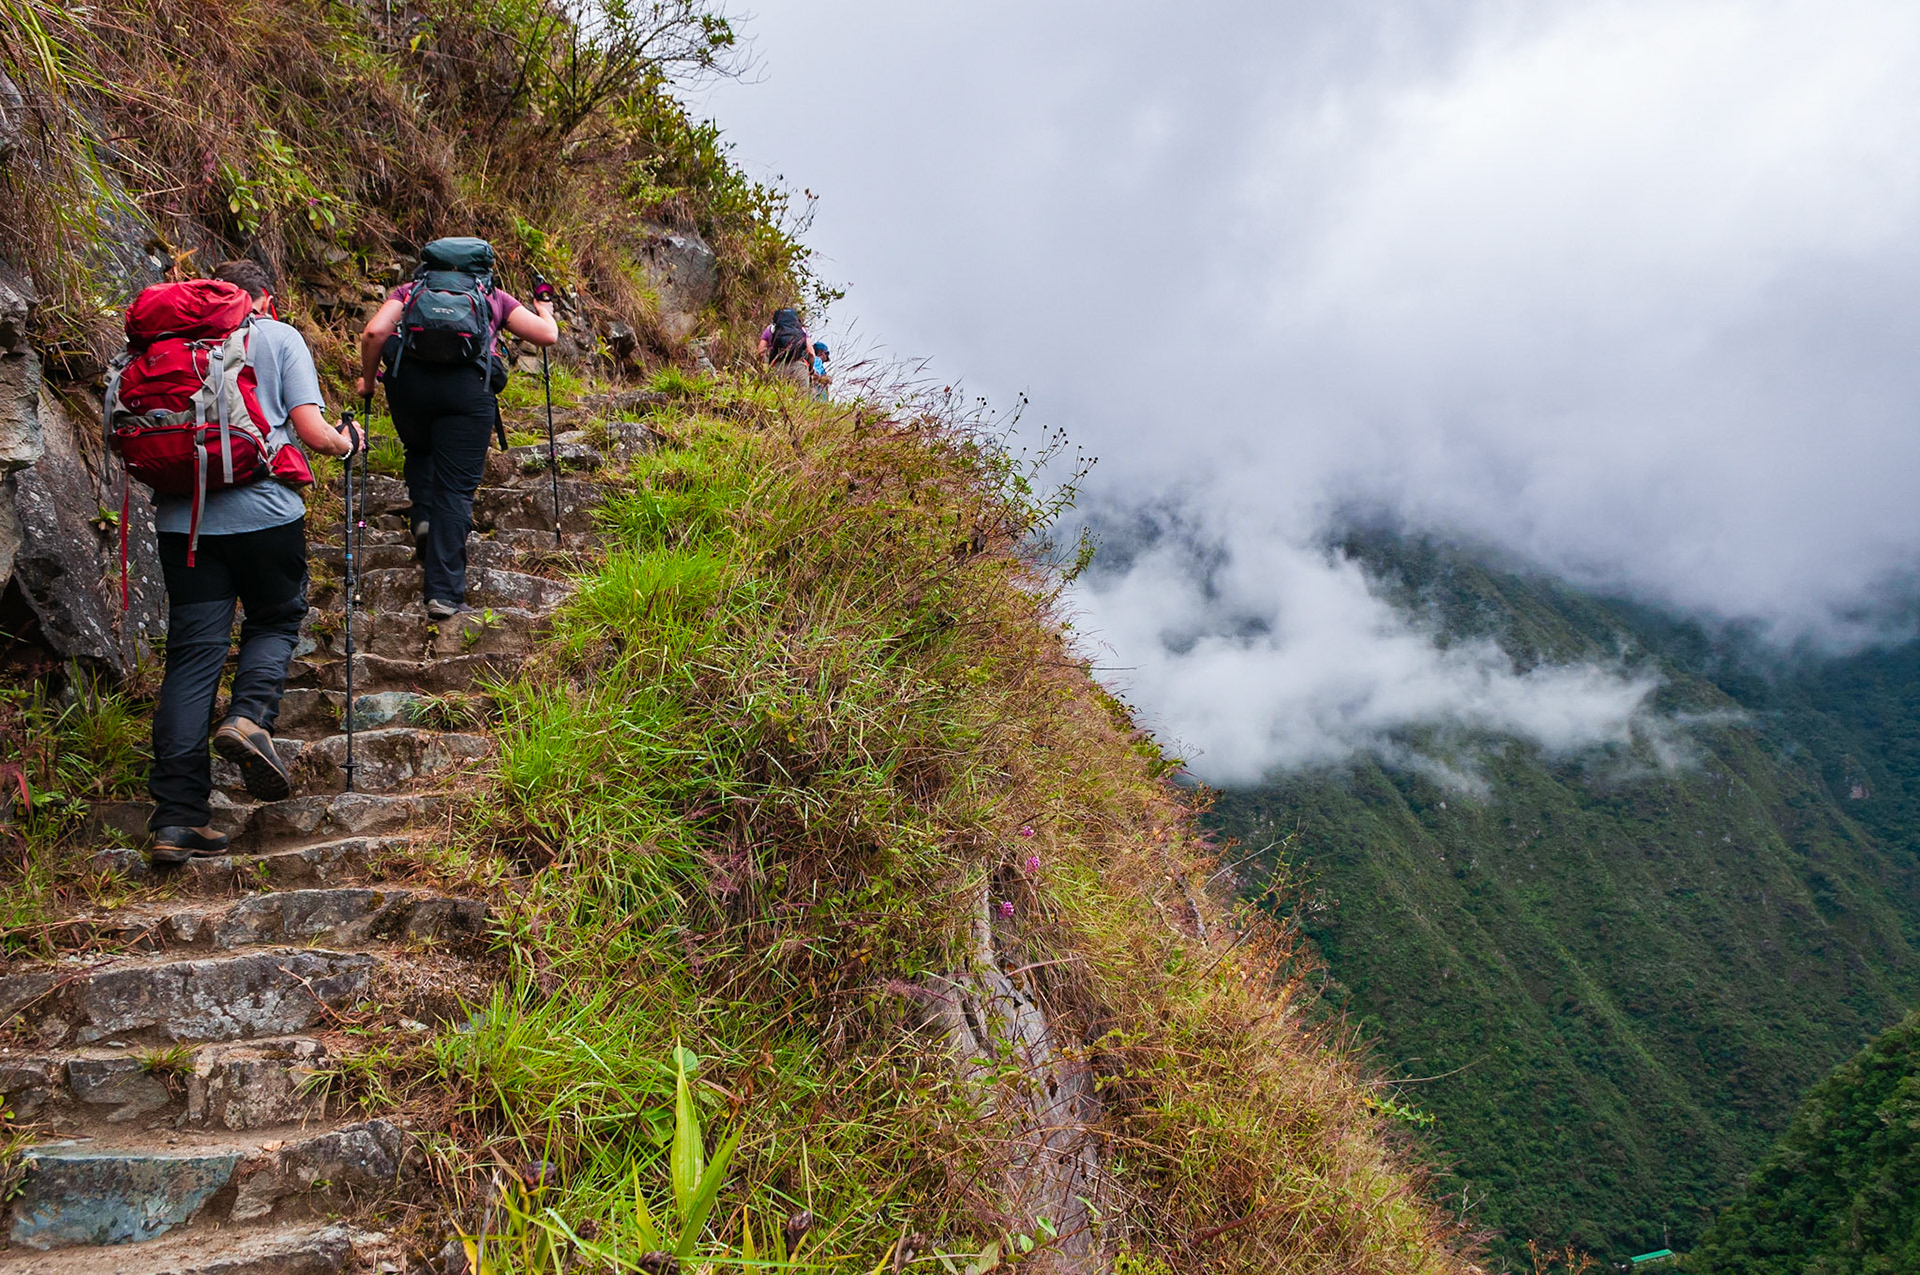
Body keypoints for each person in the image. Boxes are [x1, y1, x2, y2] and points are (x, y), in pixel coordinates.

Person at [148, 260, 364, 864]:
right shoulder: (275, 335)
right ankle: (247, 719)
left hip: (183, 523)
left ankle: (176, 821)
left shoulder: (168, 342)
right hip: (266, 514)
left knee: (191, 662)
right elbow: (313, 433)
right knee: (274, 618)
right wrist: (349, 442)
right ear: (263, 296)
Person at [357, 241, 558, 620]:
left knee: (419, 448)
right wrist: (544, 311)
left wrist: (368, 383)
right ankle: (444, 593)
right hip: (468, 392)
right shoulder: (493, 296)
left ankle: (423, 519)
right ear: (483, 266)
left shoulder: (410, 292)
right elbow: (547, 337)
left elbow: (373, 333)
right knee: (456, 489)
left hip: (410, 387)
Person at [759, 308, 812, 388]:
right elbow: (811, 353)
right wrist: (810, 368)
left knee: (775, 395)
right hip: (798, 367)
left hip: (777, 366)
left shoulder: (770, 329)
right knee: (801, 398)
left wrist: (765, 367)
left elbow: (761, 351)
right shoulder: (801, 330)